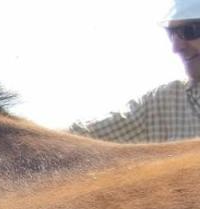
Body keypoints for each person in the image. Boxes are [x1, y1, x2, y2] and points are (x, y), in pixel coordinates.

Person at [70, 0, 200, 141]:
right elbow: (73, 140)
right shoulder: (160, 106)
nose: (176, 48)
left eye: (190, 30)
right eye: (171, 34)